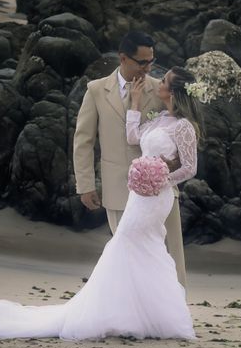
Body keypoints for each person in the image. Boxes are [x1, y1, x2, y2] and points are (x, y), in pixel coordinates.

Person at [0, 66, 203, 340]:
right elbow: (133, 137)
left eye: (165, 81)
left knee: (130, 242)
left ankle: (137, 312)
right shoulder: (158, 119)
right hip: (138, 196)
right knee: (138, 245)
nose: (160, 83)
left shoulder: (184, 127)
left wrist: (161, 179)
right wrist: (133, 104)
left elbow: (190, 168)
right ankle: (139, 313)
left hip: (157, 197)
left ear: (175, 92)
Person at [73, 31, 187, 287]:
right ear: (123, 58)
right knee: (129, 258)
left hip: (161, 189)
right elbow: (84, 140)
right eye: (142, 62)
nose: (148, 68)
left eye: (151, 62)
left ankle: (174, 313)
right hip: (117, 188)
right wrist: (86, 184)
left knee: (170, 256)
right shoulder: (96, 90)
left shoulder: (161, 90)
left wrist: (174, 163)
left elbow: (182, 130)